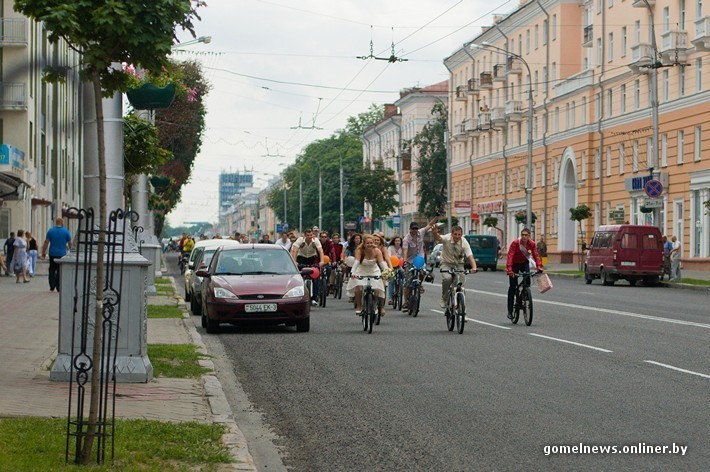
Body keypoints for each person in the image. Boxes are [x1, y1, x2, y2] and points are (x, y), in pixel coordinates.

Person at [432, 225, 477, 308]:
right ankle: (444, 299)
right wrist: (435, 233)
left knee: (461, 286)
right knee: (447, 278)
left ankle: (463, 311)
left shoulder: (464, 242)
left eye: (459, 234)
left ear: (462, 234)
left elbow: (470, 255)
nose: (457, 236)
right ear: (451, 234)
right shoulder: (447, 238)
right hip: (446, 263)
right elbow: (439, 238)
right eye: (455, 234)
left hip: (459, 265)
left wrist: (474, 267)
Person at [401, 217, 439, 311]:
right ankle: (405, 301)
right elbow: (405, 251)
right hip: (410, 260)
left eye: (416, 228)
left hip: (420, 258)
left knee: (423, 272)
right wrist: (405, 263)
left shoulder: (421, 232)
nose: (415, 230)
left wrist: (437, 216)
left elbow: (430, 224)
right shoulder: (406, 239)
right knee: (407, 282)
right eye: (413, 229)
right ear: (410, 229)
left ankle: (419, 284)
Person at [346, 234, 389, 316]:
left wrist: (386, 271)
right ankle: (359, 306)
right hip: (361, 270)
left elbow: (381, 262)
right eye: (367, 243)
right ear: (364, 243)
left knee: (376, 287)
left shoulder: (377, 251)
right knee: (358, 286)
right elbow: (357, 262)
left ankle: (375, 305)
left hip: (374, 270)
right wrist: (353, 272)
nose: (369, 245)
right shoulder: (359, 250)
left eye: (371, 243)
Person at [505, 228, 543, 320]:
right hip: (514, 264)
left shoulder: (532, 244)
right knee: (512, 287)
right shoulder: (515, 243)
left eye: (526, 235)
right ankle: (510, 311)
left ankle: (524, 295)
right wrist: (510, 270)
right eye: (522, 235)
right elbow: (510, 256)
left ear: (529, 236)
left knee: (528, 281)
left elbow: (536, 255)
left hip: (524, 263)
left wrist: (539, 267)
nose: (524, 237)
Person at [290, 228, 325, 305]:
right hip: (301, 258)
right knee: (299, 276)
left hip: (312, 258)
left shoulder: (315, 240)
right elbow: (295, 250)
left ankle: (314, 297)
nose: (310, 236)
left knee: (315, 278)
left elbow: (320, 251)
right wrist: (295, 261)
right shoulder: (300, 240)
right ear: (304, 236)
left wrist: (322, 261)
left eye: (311, 235)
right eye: (308, 235)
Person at [41, 218, 72, 292]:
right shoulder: (66, 232)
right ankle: (58, 286)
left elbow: (46, 242)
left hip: (52, 253)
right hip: (62, 254)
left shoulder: (50, 231)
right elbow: (70, 243)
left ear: (56, 222)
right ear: (62, 223)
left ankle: (52, 285)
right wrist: (72, 251)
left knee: (52, 269)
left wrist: (43, 251)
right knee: (59, 270)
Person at [387, 235, 404, 305]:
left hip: (399, 265)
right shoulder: (390, 248)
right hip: (392, 265)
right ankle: (390, 298)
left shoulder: (402, 248)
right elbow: (389, 256)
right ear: (393, 242)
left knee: (402, 273)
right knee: (391, 281)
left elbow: (404, 256)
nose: (397, 242)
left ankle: (402, 287)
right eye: (396, 241)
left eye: (399, 241)